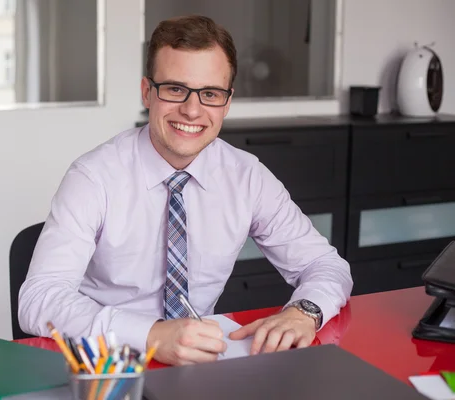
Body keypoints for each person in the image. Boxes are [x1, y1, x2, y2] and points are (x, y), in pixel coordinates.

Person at [18, 15, 353, 366]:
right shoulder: (93, 177)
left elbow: (324, 264)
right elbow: (40, 298)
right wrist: (148, 335)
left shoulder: (247, 177)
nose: (192, 110)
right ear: (147, 92)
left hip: (198, 367)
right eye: (176, 89)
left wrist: (305, 311)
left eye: (210, 94)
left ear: (227, 101)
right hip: (106, 366)